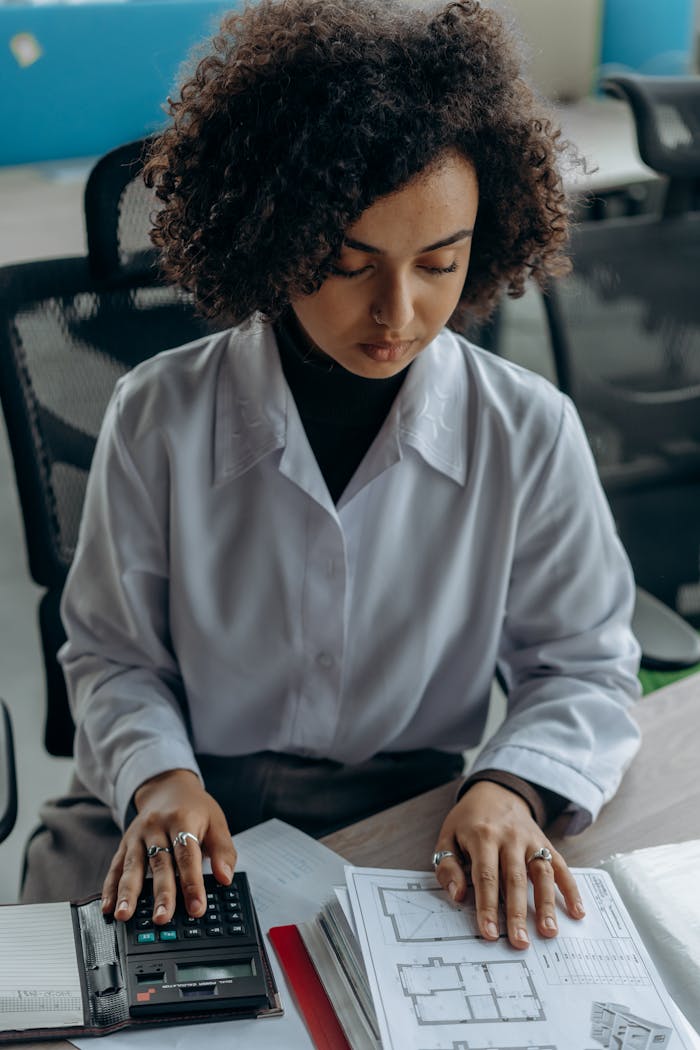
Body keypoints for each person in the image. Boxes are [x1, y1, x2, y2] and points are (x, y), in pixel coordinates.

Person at [22, 0, 641, 954]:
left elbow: (586, 665)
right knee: (86, 988)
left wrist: (510, 784)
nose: (399, 312)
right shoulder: (158, 413)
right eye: (350, 264)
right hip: (172, 796)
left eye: (440, 262)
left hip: (411, 809)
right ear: (275, 237)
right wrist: (160, 779)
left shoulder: (526, 430)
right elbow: (112, 658)